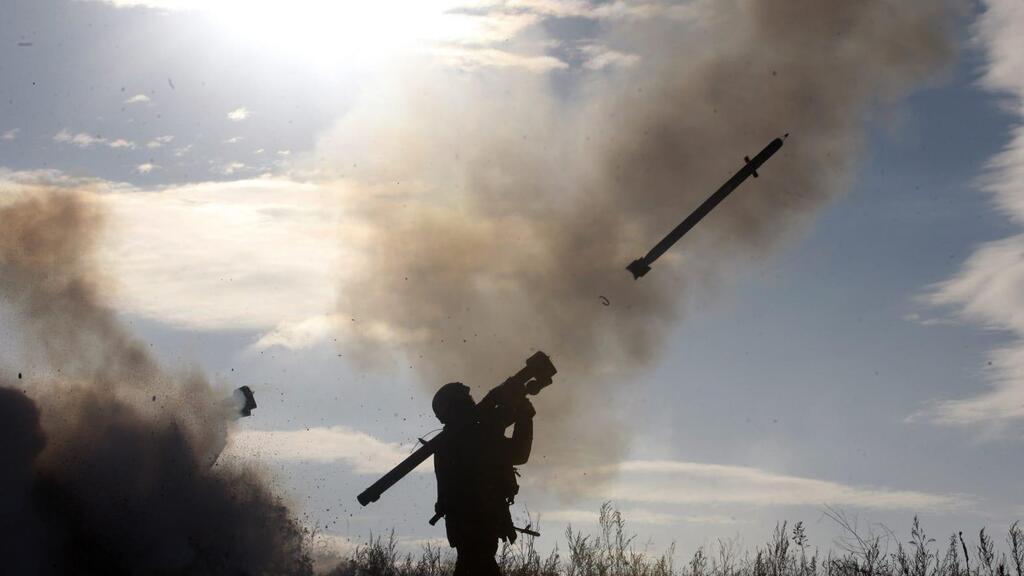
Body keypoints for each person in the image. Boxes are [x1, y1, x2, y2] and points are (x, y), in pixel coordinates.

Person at [431, 381, 535, 576]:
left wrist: (513, 407)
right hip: (477, 523)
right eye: (467, 400)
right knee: (479, 566)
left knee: (471, 565)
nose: (473, 402)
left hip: (468, 524)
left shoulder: (454, 441)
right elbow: (519, 454)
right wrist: (524, 415)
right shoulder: (471, 438)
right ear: (458, 406)